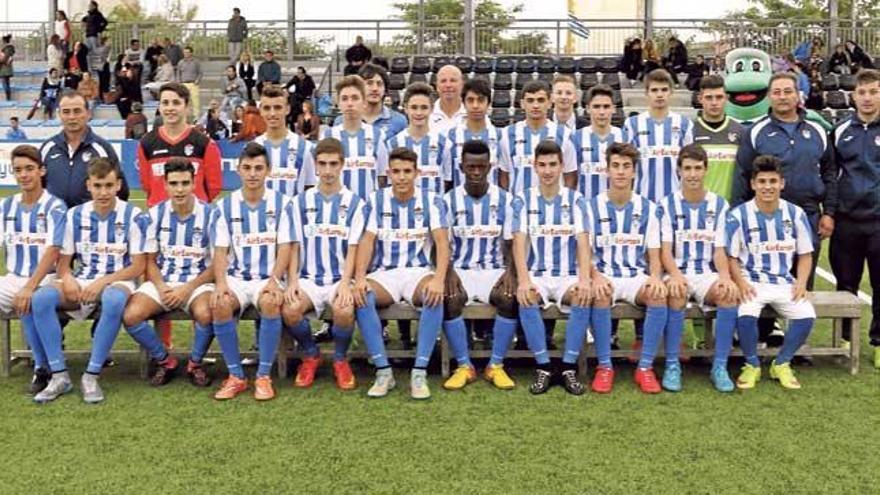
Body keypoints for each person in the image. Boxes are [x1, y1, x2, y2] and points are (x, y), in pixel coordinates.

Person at [30, 157, 148, 403]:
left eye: (108, 185)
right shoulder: (74, 216)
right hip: (83, 278)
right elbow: (63, 262)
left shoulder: (133, 215)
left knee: (114, 300)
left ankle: (91, 375)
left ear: (118, 185)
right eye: (97, 186)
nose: (103, 192)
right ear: (88, 186)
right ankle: (59, 375)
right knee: (40, 298)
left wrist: (101, 283)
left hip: (119, 279)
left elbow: (137, 266)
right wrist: (67, 278)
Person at [352, 147, 450, 399]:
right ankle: (384, 371)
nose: (402, 177)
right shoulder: (376, 200)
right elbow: (367, 240)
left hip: (418, 272)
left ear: (417, 173)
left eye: (407, 171)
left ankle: (419, 372)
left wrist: (439, 278)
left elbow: (441, 242)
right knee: (362, 295)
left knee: (433, 294)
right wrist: (360, 277)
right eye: (396, 171)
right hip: (386, 273)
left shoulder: (431, 200)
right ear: (389, 173)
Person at [733, 71, 835, 290]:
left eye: (788, 91)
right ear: (769, 96)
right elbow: (742, 175)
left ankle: (799, 323)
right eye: (777, 92)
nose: (782, 96)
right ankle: (766, 326)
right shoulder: (755, 132)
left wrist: (829, 212)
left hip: (808, 214)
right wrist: (737, 216)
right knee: (763, 283)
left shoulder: (817, 130)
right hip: (765, 216)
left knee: (802, 287)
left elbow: (830, 173)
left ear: (798, 95)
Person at [208, 142, 294, 401]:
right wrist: (221, 283)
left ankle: (263, 376)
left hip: (267, 277)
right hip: (237, 277)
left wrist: (275, 280)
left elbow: (285, 246)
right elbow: (220, 250)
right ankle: (236, 376)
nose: (253, 173)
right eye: (247, 168)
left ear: (268, 170)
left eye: (258, 168)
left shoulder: (283, 203)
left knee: (269, 302)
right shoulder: (225, 206)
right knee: (221, 303)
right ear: (238, 170)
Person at [121, 158, 216, 388]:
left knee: (206, 313)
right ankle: (166, 361)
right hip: (163, 280)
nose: (180, 189)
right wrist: (162, 286)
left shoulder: (212, 215)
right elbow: (150, 261)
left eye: (185, 183)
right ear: (165, 185)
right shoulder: (154, 215)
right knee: (131, 315)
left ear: (194, 183)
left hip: (197, 282)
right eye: (174, 183)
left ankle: (195, 363)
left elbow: (216, 265)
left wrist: (187, 288)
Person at [726, 155, 816, 390]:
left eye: (773, 181)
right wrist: (740, 282)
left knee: (806, 316)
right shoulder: (738, 215)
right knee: (745, 314)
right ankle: (752, 364)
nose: (768, 187)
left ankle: (782, 363)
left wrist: (802, 282)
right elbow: (732, 257)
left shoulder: (795, 214)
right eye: (762, 181)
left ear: (782, 183)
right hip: (751, 280)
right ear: (753, 184)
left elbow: (805, 254)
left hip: (785, 281)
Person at [282, 137, 366, 390]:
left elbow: (353, 248)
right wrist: (294, 281)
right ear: (315, 166)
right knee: (290, 309)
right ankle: (311, 354)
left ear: (342, 165)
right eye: (322, 164)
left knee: (343, 310)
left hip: (338, 278)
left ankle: (340, 359)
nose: (328, 170)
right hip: (307, 278)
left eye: (333, 164)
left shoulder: (355, 203)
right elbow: (294, 244)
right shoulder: (299, 202)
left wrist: (344, 283)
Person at [510, 140, 593, 395]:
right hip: (537, 275)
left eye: (553, 165)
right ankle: (543, 366)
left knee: (582, 295)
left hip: (567, 275)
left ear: (561, 166)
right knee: (526, 298)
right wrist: (523, 280)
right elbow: (519, 242)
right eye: (542, 165)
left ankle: (568, 366)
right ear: (534, 166)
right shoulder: (523, 199)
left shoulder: (576, 199)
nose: (547, 171)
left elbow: (582, 242)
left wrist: (585, 279)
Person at [587, 142, 667, 394]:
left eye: (626, 166)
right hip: (603, 274)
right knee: (599, 296)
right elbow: (584, 253)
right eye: (616, 166)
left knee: (658, 294)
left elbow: (654, 252)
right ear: (607, 171)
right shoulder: (590, 206)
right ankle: (604, 367)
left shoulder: (648, 208)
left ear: (634, 172)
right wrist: (595, 276)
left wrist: (655, 277)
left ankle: (645, 368)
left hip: (634, 275)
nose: (621, 172)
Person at [658, 144, 739, 392]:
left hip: (706, 273)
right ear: (679, 172)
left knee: (728, 294)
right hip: (676, 270)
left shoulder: (720, 205)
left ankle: (720, 366)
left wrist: (725, 277)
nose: (692, 174)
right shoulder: (667, 204)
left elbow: (719, 250)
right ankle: (673, 364)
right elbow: (665, 250)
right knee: (676, 293)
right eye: (687, 169)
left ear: (706, 170)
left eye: (697, 168)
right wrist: (675, 275)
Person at [442, 140, 518, 390]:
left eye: (481, 167)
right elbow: (440, 244)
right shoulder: (449, 200)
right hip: (461, 269)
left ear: (490, 167)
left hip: (493, 269)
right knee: (450, 298)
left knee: (508, 297)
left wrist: (510, 272)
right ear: (461, 167)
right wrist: (448, 271)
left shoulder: (505, 200)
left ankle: (495, 365)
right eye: (471, 167)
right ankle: (464, 366)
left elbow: (511, 242)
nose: (476, 172)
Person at [0, 145, 67, 397]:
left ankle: (42, 367)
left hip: (45, 279)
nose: (24, 175)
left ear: (41, 170)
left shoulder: (54, 206)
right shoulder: (6, 206)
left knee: (30, 299)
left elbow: (53, 250)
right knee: (21, 295)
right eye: (18, 170)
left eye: (29, 169)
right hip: (12, 279)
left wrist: (29, 286)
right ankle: (43, 366)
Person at [829, 68, 880, 367]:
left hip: (878, 220)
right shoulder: (840, 131)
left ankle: (878, 341)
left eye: (873, 92)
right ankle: (845, 339)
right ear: (853, 96)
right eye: (862, 92)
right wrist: (832, 213)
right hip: (847, 220)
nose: (868, 98)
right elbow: (832, 177)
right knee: (845, 282)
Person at [39, 90, 129, 207]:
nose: (72, 117)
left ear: (88, 113)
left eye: (77, 111)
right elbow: (38, 187)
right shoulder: (48, 148)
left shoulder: (102, 149)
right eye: (66, 112)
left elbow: (121, 191)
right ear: (59, 114)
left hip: (90, 223)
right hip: (55, 222)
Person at [625, 69, 694, 203]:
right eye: (654, 90)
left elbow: (689, 165)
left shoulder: (684, 124)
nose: (659, 95)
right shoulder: (632, 124)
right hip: (641, 201)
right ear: (646, 93)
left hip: (676, 202)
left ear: (671, 92)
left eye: (664, 90)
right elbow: (627, 165)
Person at [498, 80, 577, 195]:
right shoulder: (508, 134)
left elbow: (570, 175)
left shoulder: (564, 134)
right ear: (522, 103)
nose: (535, 105)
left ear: (550, 102)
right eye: (530, 100)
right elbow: (504, 175)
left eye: (540, 100)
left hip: (554, 207)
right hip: (519, 208)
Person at [321, 75, 389, 200]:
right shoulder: (328, 136)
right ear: (339, 103)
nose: (350, 104)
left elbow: (382, 176)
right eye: (345, 99)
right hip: (337, 209)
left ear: (364, 102)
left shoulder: (377, 135)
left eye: (355, 98)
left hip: (368, 209)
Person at [253, 84, 316, 197]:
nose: (272, 113)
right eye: (267, 108)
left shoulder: (306, 147)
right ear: (261, 111)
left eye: (277, 107)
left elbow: (310, 188)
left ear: (287, 109)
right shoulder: (253, 147)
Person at [386, 82, 447, 194]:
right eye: (414, 107)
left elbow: (448, 180)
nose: (419, 113)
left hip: (434, 209)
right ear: (405, 108)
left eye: (424, 108)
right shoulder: (393, 143)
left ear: (432, 109)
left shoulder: (443, 142)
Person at [442, 77, 503, 189]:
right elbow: (447, 176)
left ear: (488, 103)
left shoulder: (500, 135)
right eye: (470, 100)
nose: (475, 106)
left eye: (480, 100)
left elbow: (504, 174)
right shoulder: (451, 136)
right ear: (463, 103)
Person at [693, 75, 745, 201]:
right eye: (709, 98)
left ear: (726, 98)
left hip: (730, 207)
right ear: (700, 99)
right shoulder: (690, 131)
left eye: (719, 97)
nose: (714, 102)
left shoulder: (740, 131)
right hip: (699, 207)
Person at [572, 84, 627, 200]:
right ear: (587, 108)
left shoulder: (624, 137)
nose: (602, 112)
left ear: (614, 108)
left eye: (606, 106)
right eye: (596, 106)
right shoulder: (576, 138)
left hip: (616, 206)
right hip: (586, 207)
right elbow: (570, 175)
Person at [332, 63, 407, 138]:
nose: (375, 88)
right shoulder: (341, 121)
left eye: (379, 84)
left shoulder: (399, 121)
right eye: (369, 83)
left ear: (385, 89)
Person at [430, 65, 466, 134]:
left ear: (462, 85)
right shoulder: (426, 115)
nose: (448, 85)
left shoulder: (474, 114)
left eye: (453, 80)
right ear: (437, 86)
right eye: (443, 81)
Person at [176, 46, 202, 120]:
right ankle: (183, 117)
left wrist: (197, 80)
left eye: (187, 52)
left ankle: (196, 118)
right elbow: (178, 73)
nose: (186, 54)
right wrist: (179, 83)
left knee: (195, 102)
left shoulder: (196, 62)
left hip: (193, 84)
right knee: (183, 101)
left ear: (191, 53)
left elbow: (200, 73)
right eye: (184, 52)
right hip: (183, 84)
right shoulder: (180, 62)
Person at [0, 34, 14, 100]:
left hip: (4, 69)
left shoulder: (7, 48)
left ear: (4, 41)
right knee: (7, 83)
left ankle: (8, 97)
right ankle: (8, 97)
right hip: (7, 68)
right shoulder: (9, 48)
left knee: (4, 83)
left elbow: (4, 59)